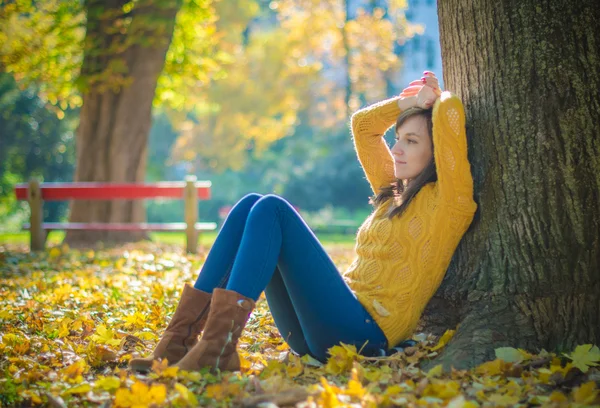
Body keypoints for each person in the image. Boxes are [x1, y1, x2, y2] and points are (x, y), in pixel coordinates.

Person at [129, 71, 477, 373]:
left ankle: (217, 348)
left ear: (437, 152)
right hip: (316, 328)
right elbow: (364, 127)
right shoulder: (391, 191)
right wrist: (409, 102)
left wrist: (438, 97)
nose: (397, 149)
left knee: (273, 210)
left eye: (412, 141)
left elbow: (449, 118)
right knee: (251, 204)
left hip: (363, 334)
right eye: (398, 139)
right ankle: (178, 342)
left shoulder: (448, 203)